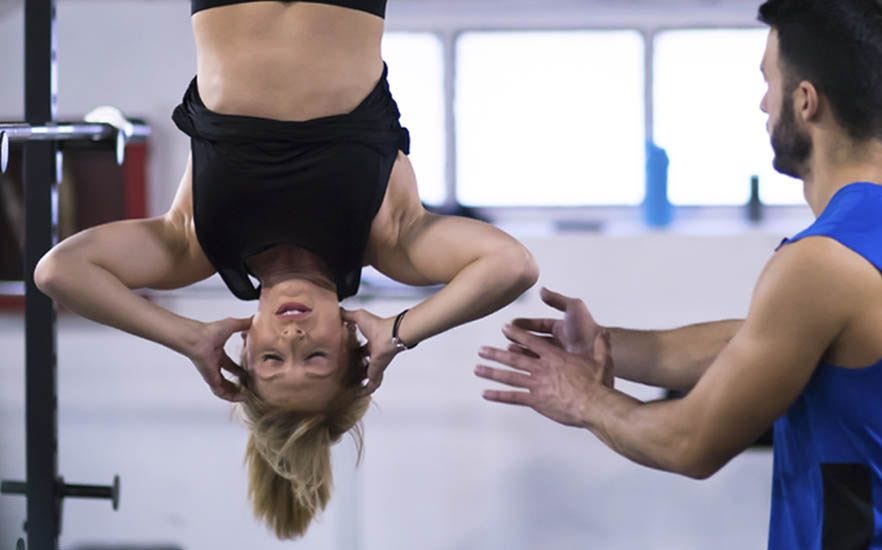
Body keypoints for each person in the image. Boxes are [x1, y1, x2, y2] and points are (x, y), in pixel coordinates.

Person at [33, 0, 538, 539]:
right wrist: (398, 332)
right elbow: (512, 265)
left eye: (273, 358)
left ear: (244, 348)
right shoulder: (390, 238)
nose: (293, 335)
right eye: (315, 356)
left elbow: (59, 271)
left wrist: (187, 337)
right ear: (350, 345)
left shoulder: (195, 243)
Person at [475, 1, 882, 547]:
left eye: (769, 81)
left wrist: (583, 398)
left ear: (805, 101)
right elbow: (757, 342)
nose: (763, 103)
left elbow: (691, 443)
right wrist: (602, 345)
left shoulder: (823, 263)